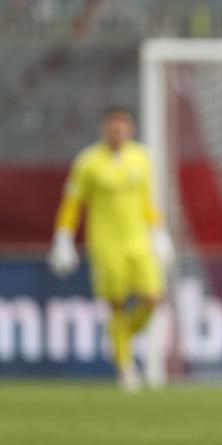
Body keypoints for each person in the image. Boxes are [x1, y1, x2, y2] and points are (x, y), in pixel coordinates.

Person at [47, 106, 175, 392]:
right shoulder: (88, 162)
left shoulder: (142, 158)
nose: (117, 131)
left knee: (154, 299)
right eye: (112, 126)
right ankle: (125, 367)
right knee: (115, 305)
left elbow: (148, 201)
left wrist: (159, 232)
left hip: (139, 242)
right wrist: (63, 237)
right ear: (104, 129)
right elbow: (72, 202)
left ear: (130, 129)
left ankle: (121, 340)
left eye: (122, 126)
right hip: (106, 245)